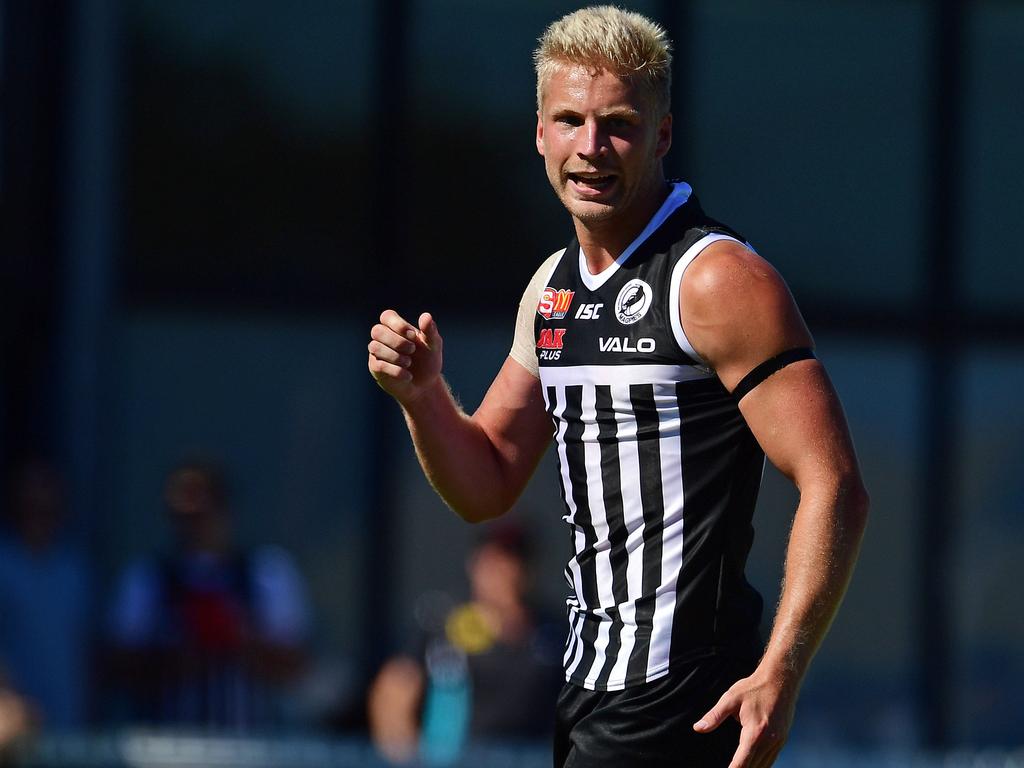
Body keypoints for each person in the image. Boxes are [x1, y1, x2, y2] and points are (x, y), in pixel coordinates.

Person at [367, 6, 869, 767]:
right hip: (584, 692)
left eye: (620, 125)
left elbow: (834, 483)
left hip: (685, 694)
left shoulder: (716, 280)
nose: (590, 148)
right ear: (540, 132)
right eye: (569, 120)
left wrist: (782, 669)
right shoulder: (552, 290)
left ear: (662, 135)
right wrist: (424, 397)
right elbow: (487, 483)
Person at [107, 460, 311, 729]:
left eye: (202, 512)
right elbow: (115, 667)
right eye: (181, 515)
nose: (193, 527)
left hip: (250, 748)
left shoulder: (266, 574)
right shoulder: (148, 579)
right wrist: (178, 656)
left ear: (225, 512)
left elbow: (298, 667)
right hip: (166, 747)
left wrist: (236, 637)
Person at [367, 524, 562, 764]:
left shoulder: (553, 635)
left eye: (514, 561)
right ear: (475, 565)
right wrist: (407, 757)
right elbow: (394, 692)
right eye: (494, 562)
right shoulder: (441, 625)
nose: (506, 573)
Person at [0, 461, 91, 730]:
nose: (38, 507)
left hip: (68, 727)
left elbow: (84, 650)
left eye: (46, 498)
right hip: (10, 734)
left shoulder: (75, 569)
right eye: (31, 499)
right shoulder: (3, 562)